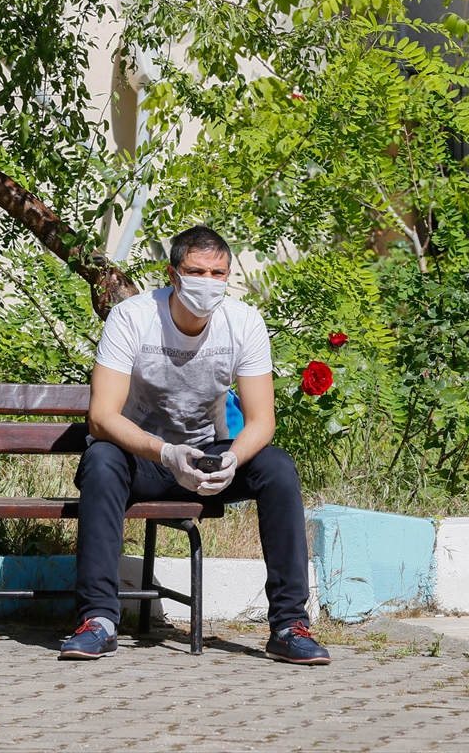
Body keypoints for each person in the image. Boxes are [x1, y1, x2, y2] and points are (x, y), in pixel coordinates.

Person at [60, 225, 330, 664]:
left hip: (207, 459)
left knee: (277, 466)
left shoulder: (243, 323)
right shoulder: (132, 317)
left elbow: (263, 421)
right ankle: (99, 621)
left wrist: (230, 459)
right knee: (102, 458)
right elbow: (102, 416)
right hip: (142, 461)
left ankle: (289, 625)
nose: (208, 282)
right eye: (196, 271)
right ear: (172, 273)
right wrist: (166, 453)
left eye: (218, 273)